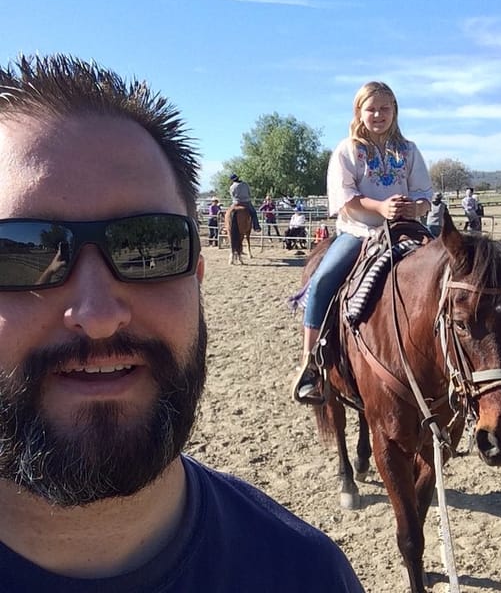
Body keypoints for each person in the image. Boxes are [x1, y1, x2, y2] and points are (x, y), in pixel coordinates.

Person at [0, 54, 364, 593]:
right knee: (326, 280)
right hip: (358, 226)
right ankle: (314, 349)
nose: (99, 317)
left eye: (151, 242)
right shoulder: (346, 154)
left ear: (196, 274)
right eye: (21, 250)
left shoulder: (310, 575)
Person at [292, 81, 432, 404]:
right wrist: (381, 208)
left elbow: (425, 194)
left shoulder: (408, 150)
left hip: (406, 229)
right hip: (360, 233)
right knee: (323, 281)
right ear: (359, 112)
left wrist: (415, 207)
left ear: (395, 110)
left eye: (385, 108)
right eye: (371, 109)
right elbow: (347, 199)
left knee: (452, 271)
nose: (379, 115)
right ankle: (310, 363)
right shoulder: (347, 151)